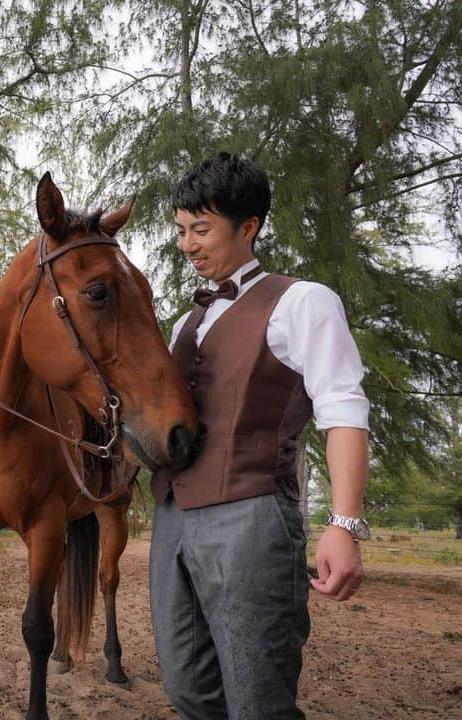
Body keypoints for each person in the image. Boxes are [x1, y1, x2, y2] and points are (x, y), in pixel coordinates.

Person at [149, 152, 370, 719]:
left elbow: (343, 408)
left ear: (248, 227)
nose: (188, 244)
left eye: (202, 229)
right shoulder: (185, 323)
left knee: (257, 702)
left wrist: (344, 525)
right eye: (180, 230)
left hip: (250, 517)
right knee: (188, 690)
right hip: (173, 519)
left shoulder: (302, 301)